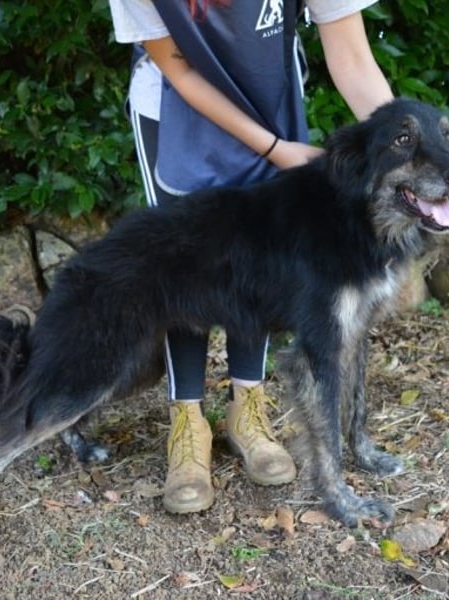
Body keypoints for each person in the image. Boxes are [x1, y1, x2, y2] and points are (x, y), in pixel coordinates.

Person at [108, 0, 394, 514]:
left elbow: (352, 56)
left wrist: (402, 151)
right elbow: (181, 68)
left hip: (272, 100)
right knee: (181, 264)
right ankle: (187, 422)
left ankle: (249, 408)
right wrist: (272, 150)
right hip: (176, 109)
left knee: (266, 255)